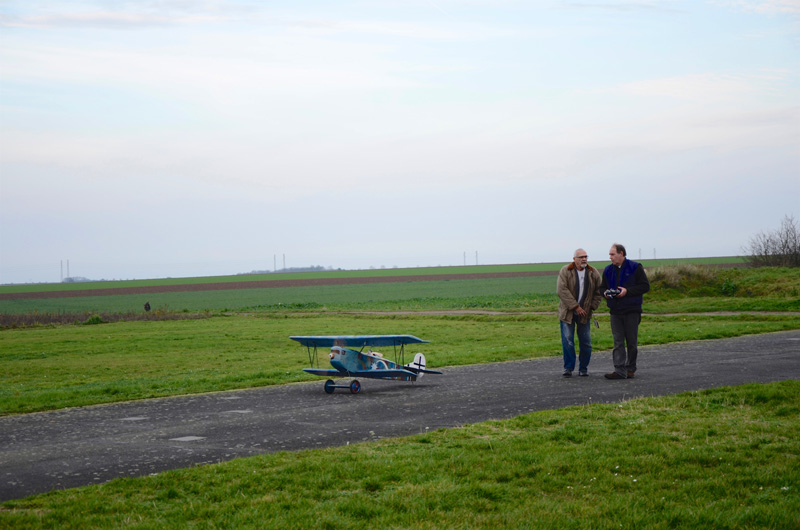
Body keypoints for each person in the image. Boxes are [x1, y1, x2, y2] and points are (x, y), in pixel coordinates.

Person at [601, 243, 650, 380]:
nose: (610, 257)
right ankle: (619, 370)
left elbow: (645, 286)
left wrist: (627, 291)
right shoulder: (607, 270)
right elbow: (602, 288)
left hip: (631, 310)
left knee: (631, 342)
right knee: (618, 342)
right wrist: (605, 293)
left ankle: (630, 368)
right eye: (610, 254)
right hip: (615, 311)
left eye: (612, 254)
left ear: (621, 254)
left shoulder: (635, 267)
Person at [557, 248, 602, 377]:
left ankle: (583, 368)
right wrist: (576, 307)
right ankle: (568, 368)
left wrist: (591, 307)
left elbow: (599, 291)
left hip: (585, 314)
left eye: (586, 257)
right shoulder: (566, 271)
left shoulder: (593, 273)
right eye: (581, 257)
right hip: (568, 313)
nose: (584, 259)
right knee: (568, 341)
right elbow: (561, 290)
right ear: (574, 259)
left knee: (586, 342)